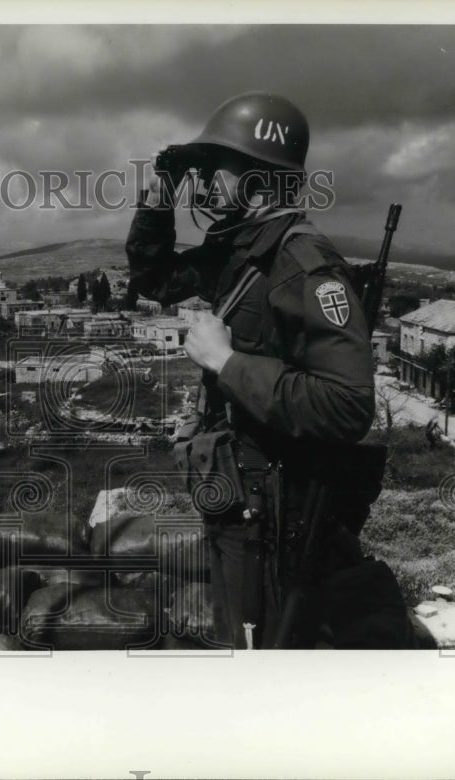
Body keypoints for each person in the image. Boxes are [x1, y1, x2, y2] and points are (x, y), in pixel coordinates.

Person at [126, 92, 411, 649]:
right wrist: (163, 189)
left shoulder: (301, 265)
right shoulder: (242, 250)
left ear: (261, 182)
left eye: (216, 170)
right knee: (243, 639)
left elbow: (346, 404)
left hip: (276, 511)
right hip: (239, 493)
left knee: (264, 651)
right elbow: (153, 277)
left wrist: (227, 362)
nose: (204, 184)